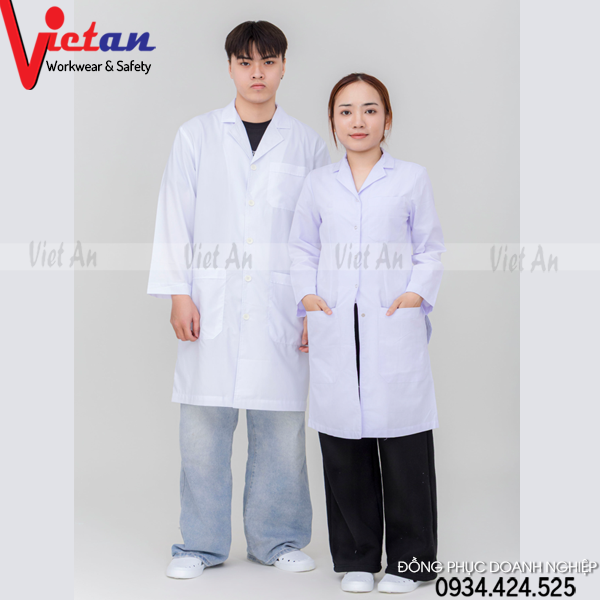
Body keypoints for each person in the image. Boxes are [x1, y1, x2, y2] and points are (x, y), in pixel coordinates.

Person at [147, 21, 330, 579]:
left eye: (269, 62)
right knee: (202, 434)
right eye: (246, 62)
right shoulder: (196, 136)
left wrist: (313, 304)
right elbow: (174, 216)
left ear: (283, 67)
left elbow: (318, 233)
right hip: (211, 302)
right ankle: (199, 545)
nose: (257, 73)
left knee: (281, 433)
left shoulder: (307, 143)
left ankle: (278, 540)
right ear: (230, 66)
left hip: (283, 307)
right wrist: (179, 293)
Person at [288, 73, 445, 594]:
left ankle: (412, 562)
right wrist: (308, 297)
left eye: (370, 109)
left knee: (404, 448)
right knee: (342, 445)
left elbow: (429, 248)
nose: (358, 121)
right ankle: (356, 558)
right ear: (333, 122)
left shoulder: (411, 178)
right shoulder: (318, 184)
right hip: (335, 323)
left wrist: (414, 295)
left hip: (391, 322)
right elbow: (301, 248)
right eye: (346, 111)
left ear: (387, 119)